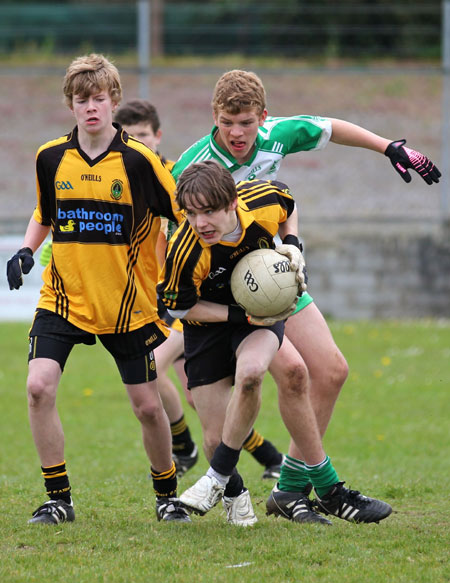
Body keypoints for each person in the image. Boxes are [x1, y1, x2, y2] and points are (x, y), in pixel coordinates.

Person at [171, 69, 440, 520]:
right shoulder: (193, 166)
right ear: (213, 118)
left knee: (331, 371)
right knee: (286, 377)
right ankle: (299, 486)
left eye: (246, 122)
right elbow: (173, 232)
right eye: (226, 122)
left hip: (271, 269)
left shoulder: (277, 135)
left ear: (263, 117)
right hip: (227, 287)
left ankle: (289, 488)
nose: (237, 133)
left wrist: (390, 147)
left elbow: (331, 129)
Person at [6, 54, 190, 524]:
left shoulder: (140, 161)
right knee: (38, 388)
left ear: (114, 102)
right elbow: (45, 212)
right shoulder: (50, 157)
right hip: (63, 299)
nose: (91, 107)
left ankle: (167, 495)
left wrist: (182, 277)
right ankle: (58, 499)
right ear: (71, 104)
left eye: (99, 98)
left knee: (148, 408)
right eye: (82, 99)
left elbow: (184, 216)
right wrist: (27, 250)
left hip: (126, 305)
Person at [158, 160, 392, 526]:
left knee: (254, 373)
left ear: (232, 202)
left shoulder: (263, 200)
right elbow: (180, 306)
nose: (199, 222)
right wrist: (238, 317)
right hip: (207, 326)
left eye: (208, 212)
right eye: (190, 213)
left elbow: (289, 204)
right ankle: (232, 490)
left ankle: (322, 490)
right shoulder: (185, 250)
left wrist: (293, 244)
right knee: (215, 438)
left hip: (260, 313)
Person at [114, 98, 285, 480]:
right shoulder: (124, 190)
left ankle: (184, 446)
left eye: (143, 137)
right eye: (128, 140)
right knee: (197, 395)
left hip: (189, 299)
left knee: (154, 369)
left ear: (157, 137)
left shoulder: (177, 181)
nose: (137, 147)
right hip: (156, 297)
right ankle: (268, 457)